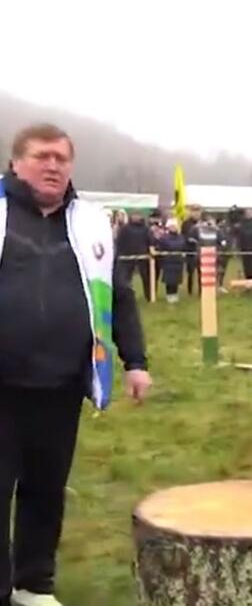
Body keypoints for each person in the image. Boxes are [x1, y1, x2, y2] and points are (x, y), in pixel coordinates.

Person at [0, 123, 153, 606]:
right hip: (1, 383)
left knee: (46, 488)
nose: (53, 166)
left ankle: (33, 584)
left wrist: (136, 360)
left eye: (62, 158)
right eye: (42, 156)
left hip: (63, 381)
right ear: (15, 163)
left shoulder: (90, 222)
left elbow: (120, 295)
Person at [114, 212, 153, 301]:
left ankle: (149, 296)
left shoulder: (145, 229)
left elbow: (150, 240)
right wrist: (119, 253)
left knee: (146, 278)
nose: (136, 217)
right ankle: (126, 296)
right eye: (134, 215)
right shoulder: (125, 229)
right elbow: (119, 241)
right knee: (126, 278)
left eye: (138, 215)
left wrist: (150, 249)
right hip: (127, 257)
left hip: (143, 256)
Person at [156, 219, 187, 303]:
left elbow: (184, 246)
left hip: (178, 261)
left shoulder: (181, 237)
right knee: (169, 279)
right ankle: (169, 294)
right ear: (168, 227)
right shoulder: (164, 238)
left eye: (175, 226)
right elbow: (160, 248)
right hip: (168, 261)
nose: (174, 228)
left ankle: (175, 294)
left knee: (176, 279)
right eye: (172, 226)